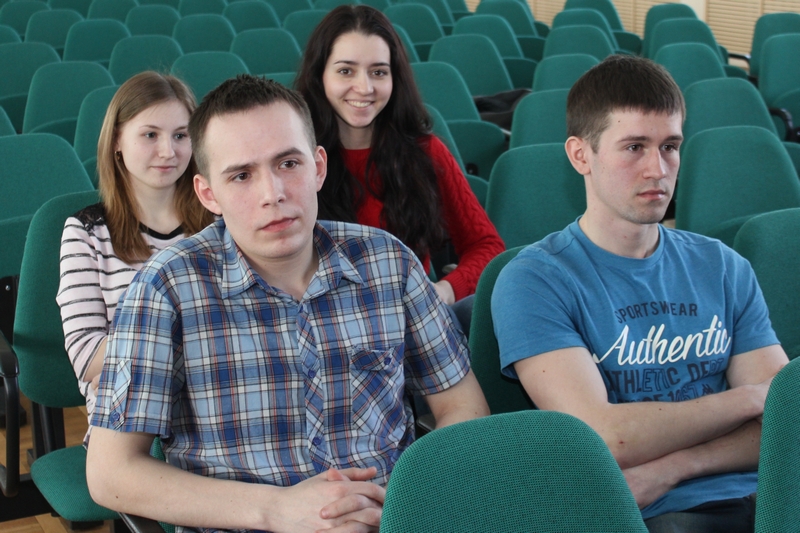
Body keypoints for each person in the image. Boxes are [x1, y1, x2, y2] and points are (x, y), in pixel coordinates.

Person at [86, 75, 489, 533]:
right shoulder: (165, 288)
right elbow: (110, 473)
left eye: (288, 163)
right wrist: (276, 509)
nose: (272, 193)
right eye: (242, 175)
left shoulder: (389, 263)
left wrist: (405, 502)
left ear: (318, 167)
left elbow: (463, 407)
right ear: (208, 193)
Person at [492, 55, 788, 533]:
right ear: (580, 155)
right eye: (634, 147)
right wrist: (750, 399)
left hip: (768, 496)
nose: (658, 169)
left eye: (670, 146)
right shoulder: (534, 280)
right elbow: (605, 437)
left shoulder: (721, 264)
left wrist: (675, 467)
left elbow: (786, 422)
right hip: (655, 517)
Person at [295, 5, 504, 315]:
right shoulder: (293, 160)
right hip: (323, 322)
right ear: (320, 75)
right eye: (346, 71)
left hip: (407, 320)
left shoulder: (426, 152)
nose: (364, 88)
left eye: (378, 72)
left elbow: (487, 247)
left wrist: (445, 290)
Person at [57, 71, 213, 423]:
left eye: (180, 135)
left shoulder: (220, 221)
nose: (168, 151)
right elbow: (86, 357)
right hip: (131, 417)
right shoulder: (85, 233)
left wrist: (129, 352)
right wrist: (192, 333)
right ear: (117, 140)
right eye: (150, 135)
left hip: (219, 403)